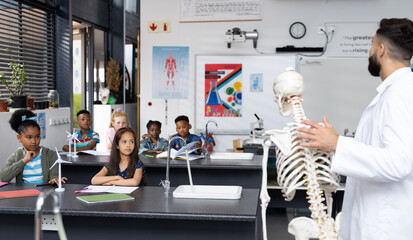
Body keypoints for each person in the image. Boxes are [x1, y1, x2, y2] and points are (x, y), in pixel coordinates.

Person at [297, 18, 413, 240]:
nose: (369, 51)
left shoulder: (400, 94)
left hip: (385, 228)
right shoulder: (395, 92)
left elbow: (398, 163)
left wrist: (337, 144)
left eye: (371, 45)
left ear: (381, 50)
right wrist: (334, 143)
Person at [1, 110, 66, 184]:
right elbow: (4, 178)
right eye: (29, 137)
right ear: (19, 138)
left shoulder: (50, 154)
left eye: (37, 137)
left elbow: (54, 175)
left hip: (44, 193)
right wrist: (24, 160)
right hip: (24, 194)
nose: (34, 141)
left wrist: (54, 179)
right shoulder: (16, 155)